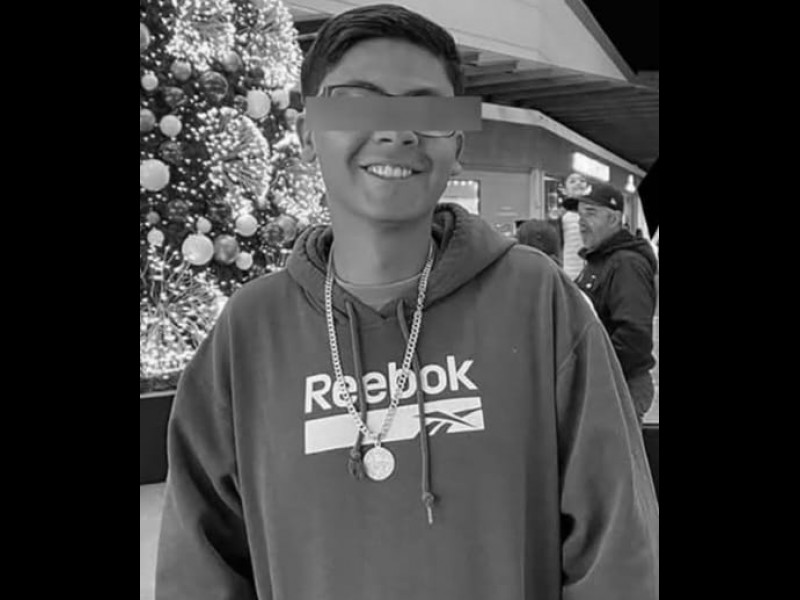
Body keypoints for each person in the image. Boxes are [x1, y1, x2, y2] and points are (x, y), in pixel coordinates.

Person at [155, 5, 658, 599]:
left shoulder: (538, 301)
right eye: (357, 103)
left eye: (427, 110)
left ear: (457, 142)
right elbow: (201, 568)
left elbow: (616, 550)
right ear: (308, 134)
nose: (396, 132)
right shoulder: (248, 332)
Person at [571, 182, 658, 423]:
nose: (581, 222)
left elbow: (634, 337)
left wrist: (593, 370)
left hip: (619, 385)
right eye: (580, 214)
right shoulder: (599, 261)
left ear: (614, 218)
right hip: (604, 382)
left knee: (614, 448)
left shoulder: (626, 264)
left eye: (591, 213)